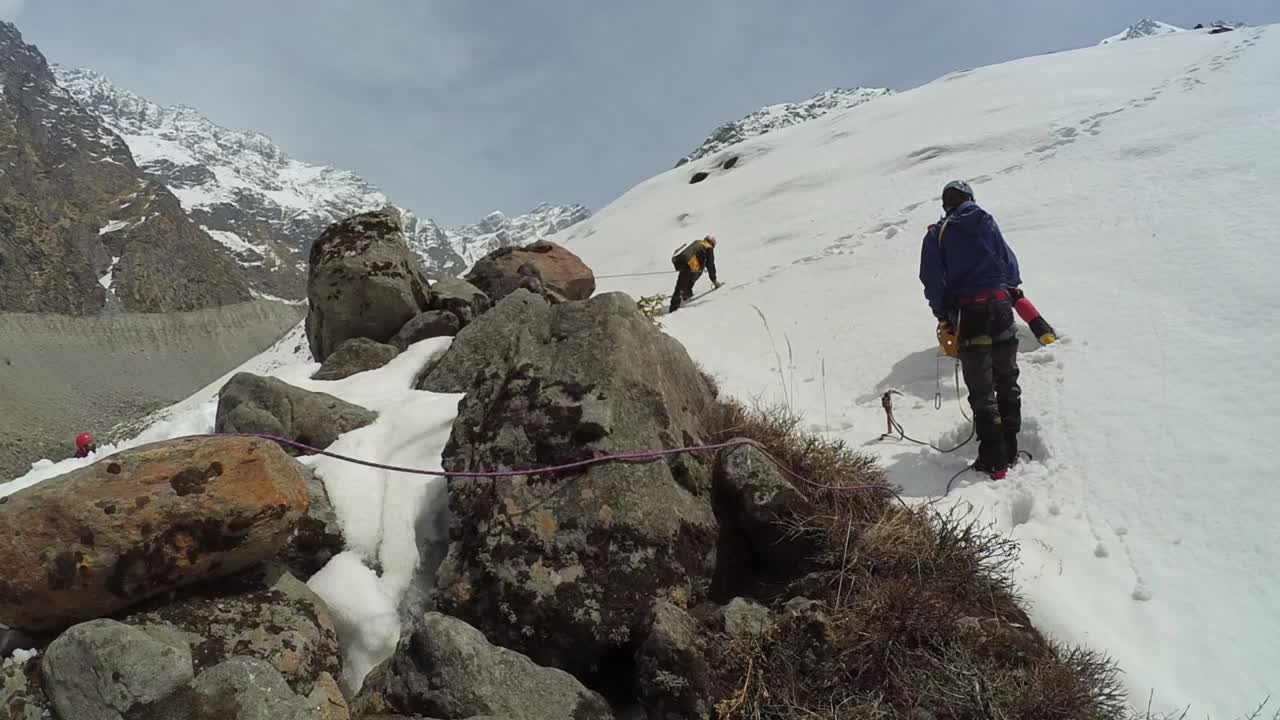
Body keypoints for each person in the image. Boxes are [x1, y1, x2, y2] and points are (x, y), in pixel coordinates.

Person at [919, 180, 1023, 479]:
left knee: (982, 388)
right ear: (970, 199)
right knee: (1007, 379)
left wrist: (943, 315)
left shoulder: (937, 234)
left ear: (946, 205)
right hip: (1001, 307)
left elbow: (932, 280)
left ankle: (994, 460)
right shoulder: (986, 222)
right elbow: (1010, 267)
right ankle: (1011, 446)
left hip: (969, 313)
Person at [669, 234, 722, 313]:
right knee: (681, 286)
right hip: (690, 267)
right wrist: (714, 280)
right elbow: (710, 265)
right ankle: (674, 310)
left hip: (684, 264)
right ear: (712, 244)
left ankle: (683, 297)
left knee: (681, 285)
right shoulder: (708, 248)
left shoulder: (698, 242)